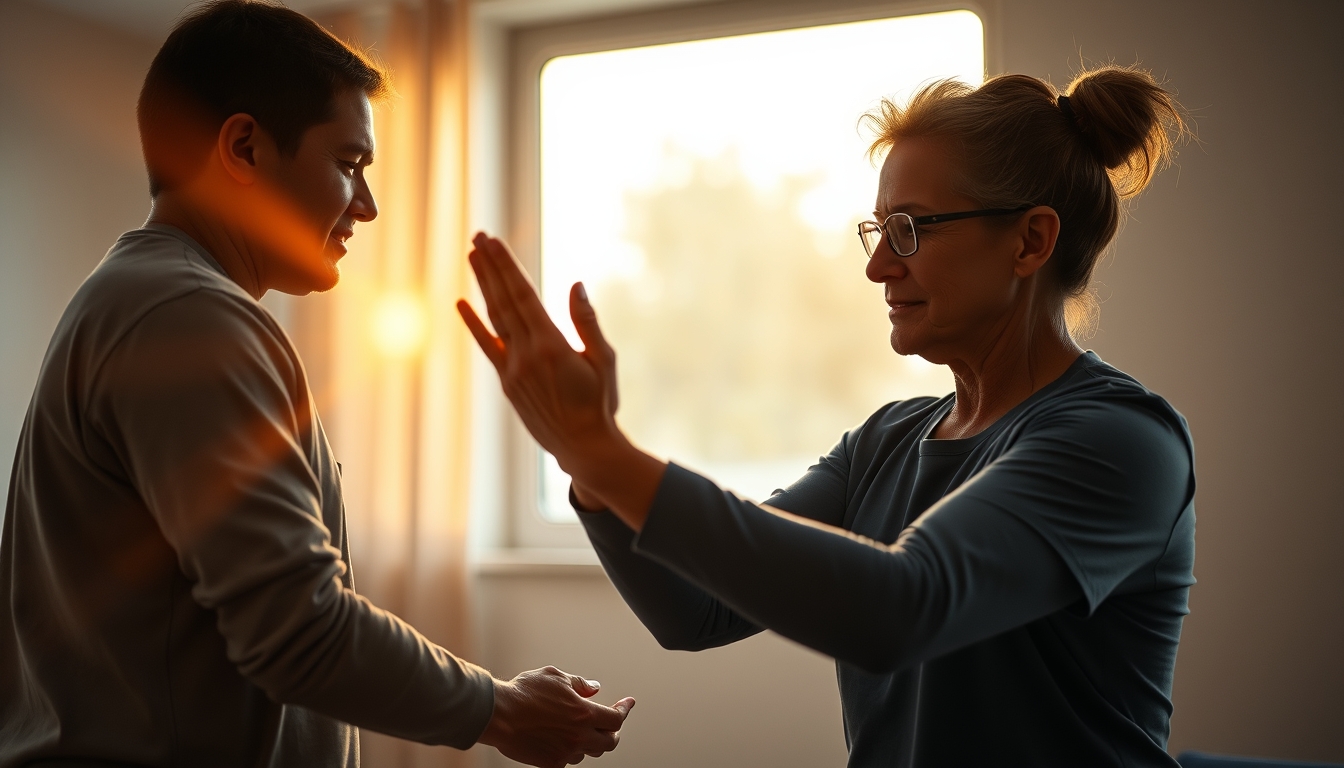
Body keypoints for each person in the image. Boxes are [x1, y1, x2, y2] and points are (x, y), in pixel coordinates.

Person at [458, 65, 1195, 766]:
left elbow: (901, 607)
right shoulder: (887, 440)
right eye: (878, 232)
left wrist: (604, 452)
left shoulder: (1120, 440)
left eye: (911, 228)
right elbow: (693, 612)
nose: (877, 267)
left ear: (1030, 241)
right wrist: (586, 466)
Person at [0, 2, 632, 767]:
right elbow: (299, 631)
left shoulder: (149, 300)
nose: (366, 206)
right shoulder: (189, 317)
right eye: (349, 165)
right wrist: (500, 710)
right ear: (244, 147)